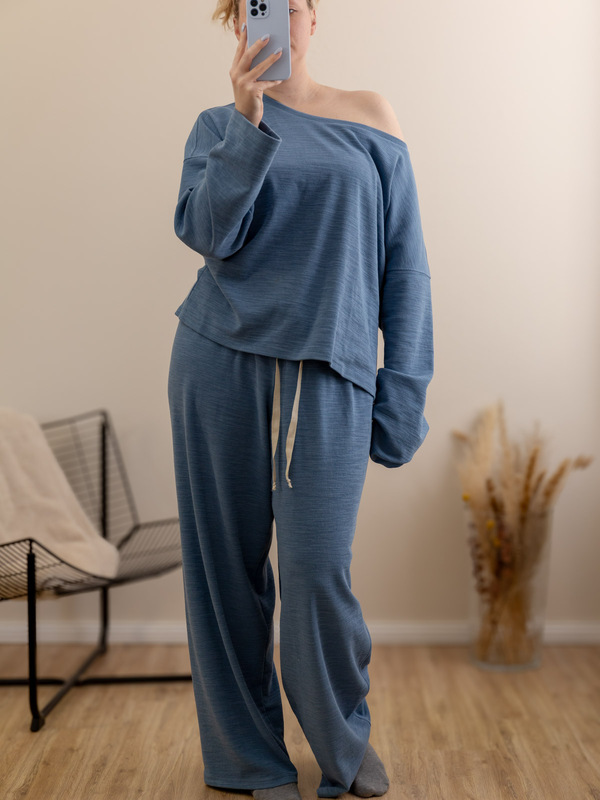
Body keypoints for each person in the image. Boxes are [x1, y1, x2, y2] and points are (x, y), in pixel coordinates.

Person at [167, 1, 434, 799]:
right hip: (217, 362)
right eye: (258, 7)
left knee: (318, 573)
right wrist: (248, 122)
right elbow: (209, 235)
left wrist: (402, 392)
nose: (278, 20)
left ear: (314, 18)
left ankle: (342, 744)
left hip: (328, 375)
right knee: (224, 576)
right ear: (238, 26)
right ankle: (249, 762)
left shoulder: (371, 116)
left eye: (292, 5)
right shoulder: (219, 124)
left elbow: (405, 266)